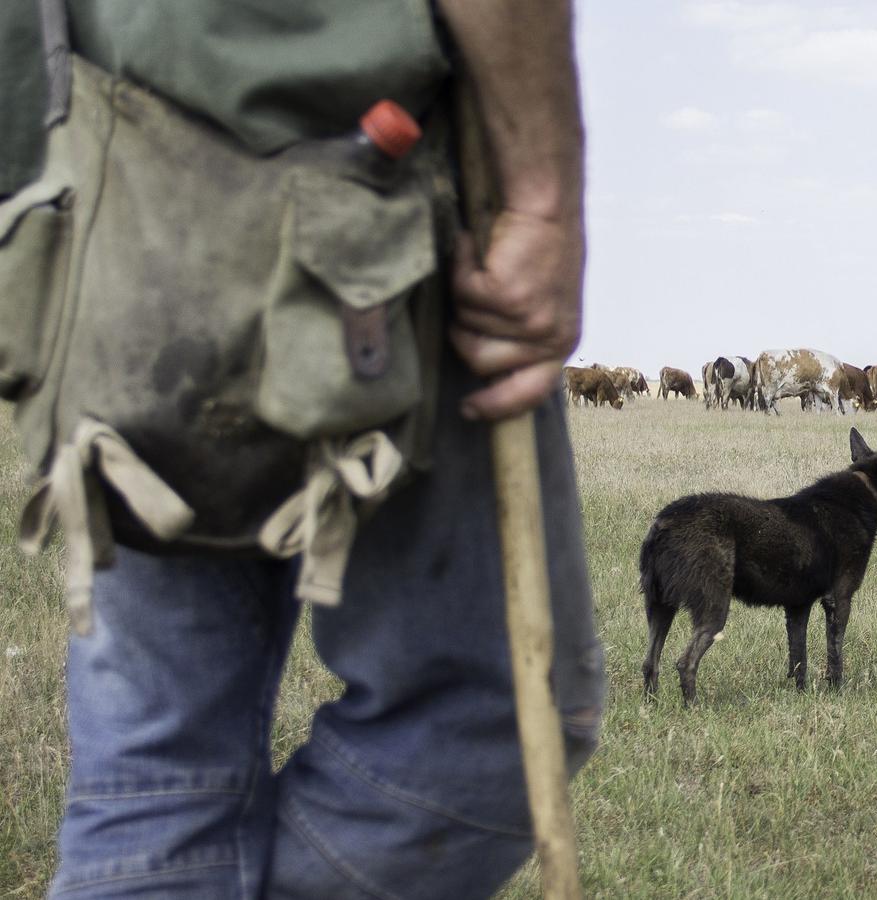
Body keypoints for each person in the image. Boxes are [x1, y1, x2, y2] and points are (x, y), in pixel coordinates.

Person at [1, 1, 605, 896]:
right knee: (495, 727)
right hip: (352, 193)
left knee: (158, 776)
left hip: (91, 173)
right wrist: (545, 199)